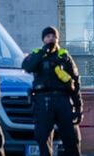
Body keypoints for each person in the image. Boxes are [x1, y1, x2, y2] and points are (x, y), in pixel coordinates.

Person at [22, 26, 82, 156]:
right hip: (43, 100)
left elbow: (75, 82)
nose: (51, 39)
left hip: (63, 99)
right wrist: (43, 53)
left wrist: (78, 106)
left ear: (58, 39)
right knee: (43, 138)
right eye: (48, 36)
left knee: (71, 137)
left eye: (54, 36)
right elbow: (27, 66)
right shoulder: (37, 53)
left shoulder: (64, 56)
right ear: (43, 39)